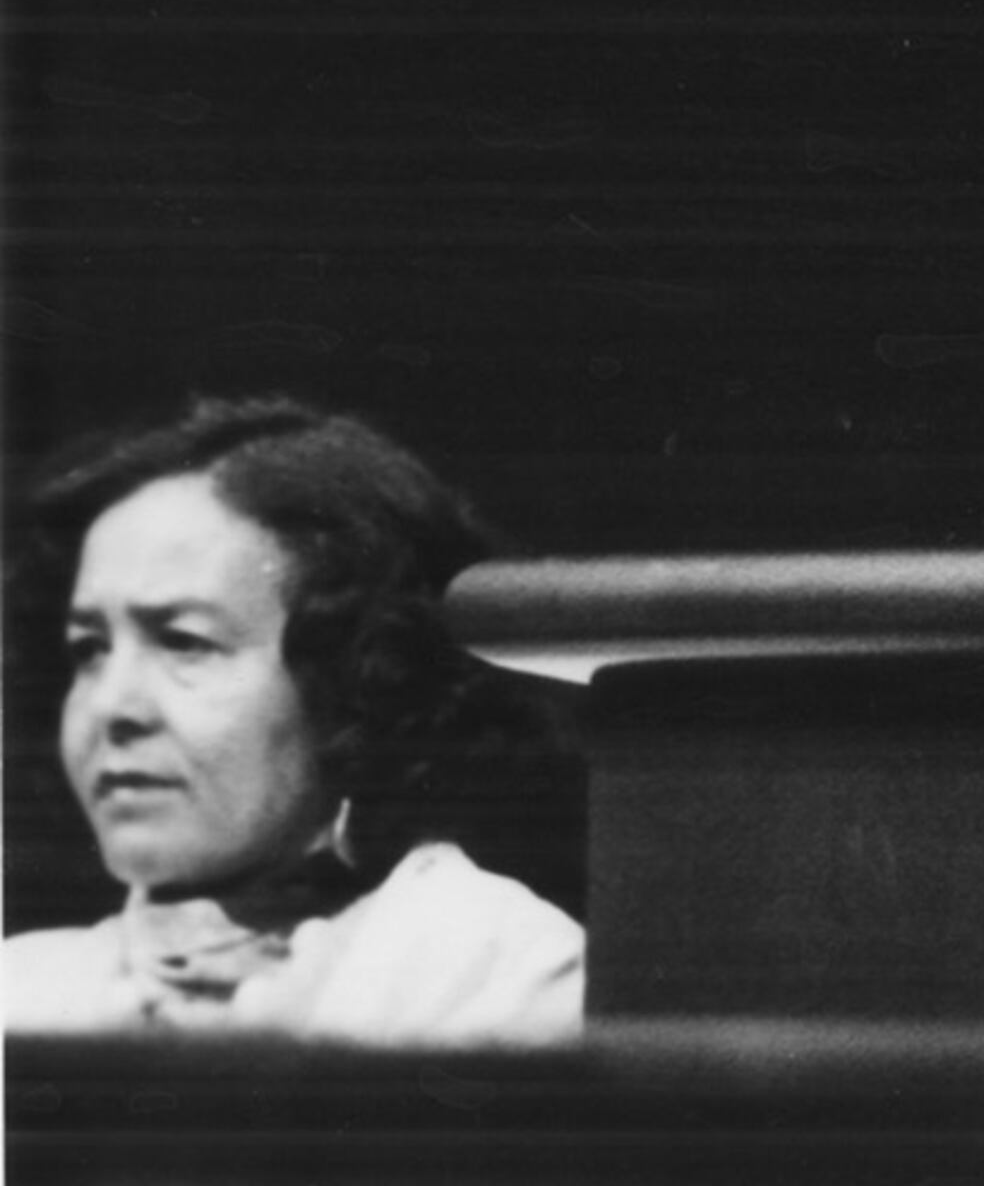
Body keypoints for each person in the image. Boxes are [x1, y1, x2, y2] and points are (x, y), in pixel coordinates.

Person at [5, 397, 585, 1045]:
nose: (112, 707)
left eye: (184, 642)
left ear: (354, 675)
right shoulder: (24, 991)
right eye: (89, 649)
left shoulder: (491, 972)